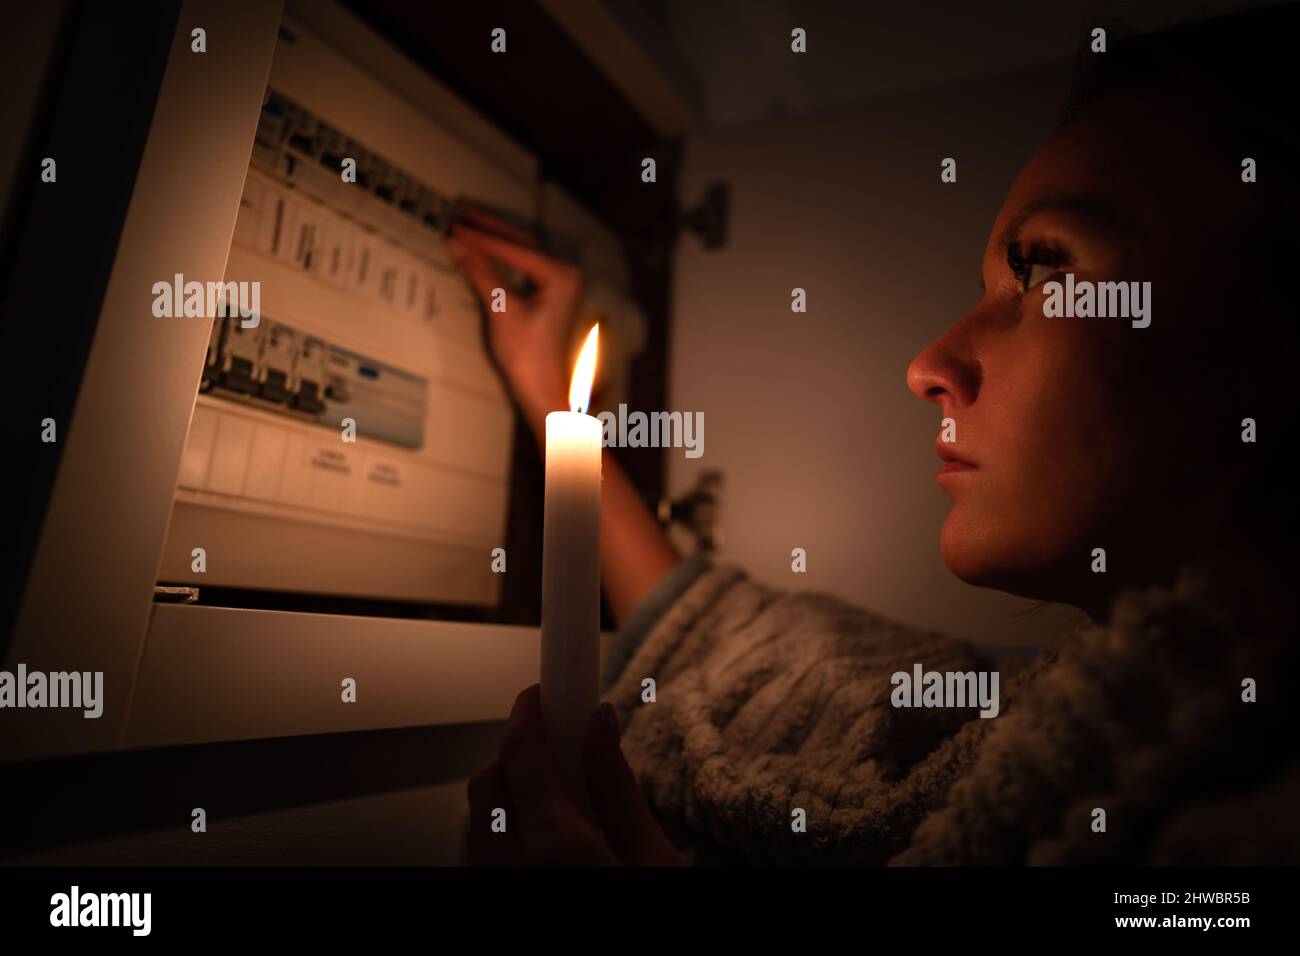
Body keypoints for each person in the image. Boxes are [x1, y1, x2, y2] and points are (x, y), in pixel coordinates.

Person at [451, 7, 1299, 866]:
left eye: (1041, 268)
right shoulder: (1060, 716)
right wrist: (550, 396)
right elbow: (758, 659)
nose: (928, 364)